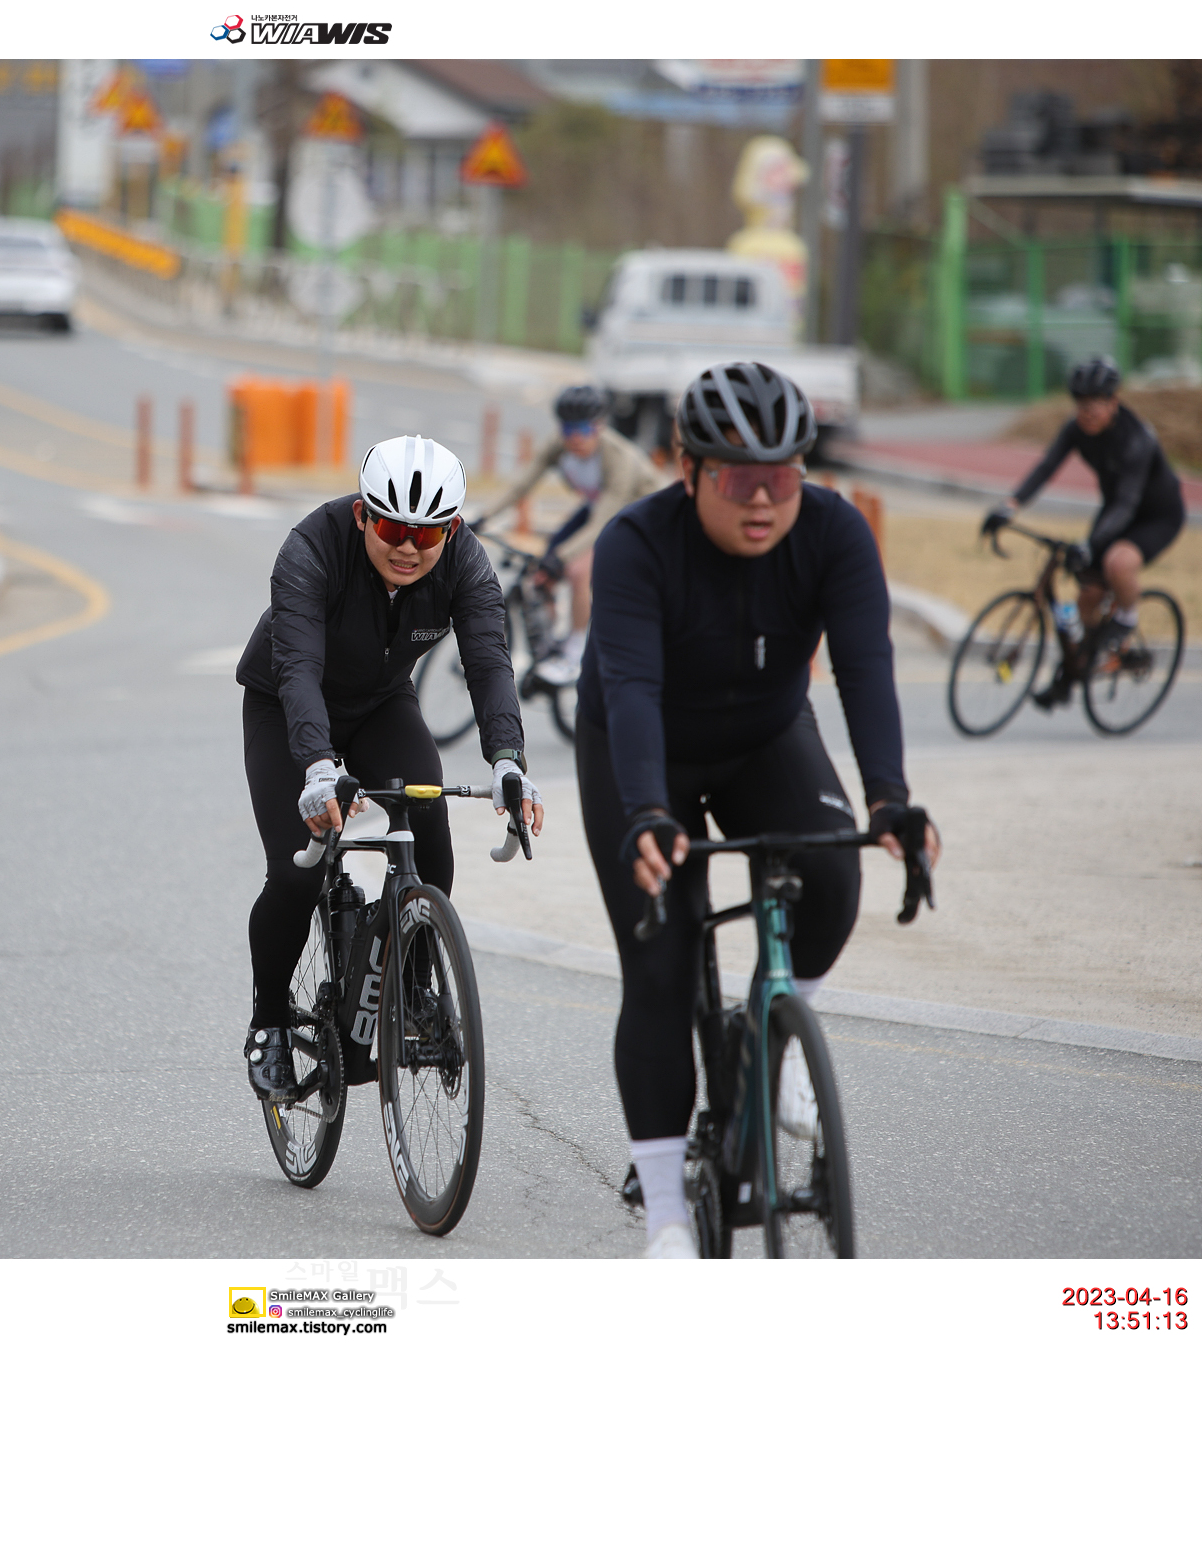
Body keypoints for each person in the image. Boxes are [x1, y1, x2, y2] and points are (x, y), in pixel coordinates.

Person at [574, 361, 939, 1258]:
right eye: (741, 481)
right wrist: (648, 811)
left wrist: (890, 798)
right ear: (687, 469)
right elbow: (631, 689)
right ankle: (667, 1218)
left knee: (832, 874)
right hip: (644, 743)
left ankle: (773, 1042)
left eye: (784, 476)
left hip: (764, 734)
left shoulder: (836, 533)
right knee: (661, 958)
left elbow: (865, 668)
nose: (766, 500)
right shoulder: (634, 544)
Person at [235, 435, 547, 1100]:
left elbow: (489, 663)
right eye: (392, 529)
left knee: (428, 824)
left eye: (427, 534)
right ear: (362, 516)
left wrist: (508, 761)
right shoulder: (311, 547)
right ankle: (269, 1022)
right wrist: (317, 767)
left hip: (381, 704)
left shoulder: (464, 563)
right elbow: (298, 669)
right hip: (287, 707)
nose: (409, 546)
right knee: (297, 869)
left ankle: (413, 985)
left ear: (451, 530)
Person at [982, 355, 1185, 709]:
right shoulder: (1076, 429)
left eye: (1095, 404)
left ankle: (1126, 619)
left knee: (1117, 563)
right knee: (1087, 596)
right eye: (1080, 403)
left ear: (1114, 402)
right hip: (1115, 511)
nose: (1086, 412)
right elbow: (1046, 467)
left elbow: (1127, 503)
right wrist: (1010, 505)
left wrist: (1091, 544)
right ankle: (1075, 669)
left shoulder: (1136, 439)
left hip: (1156, 516)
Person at [480, 383, 664, 685]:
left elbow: (602, 522)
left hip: (638, 517)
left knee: (578, 569)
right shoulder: (559, 444)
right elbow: (521, 485)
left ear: (599, 426)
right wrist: (484, 516)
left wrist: (563, 557)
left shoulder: (619, 458)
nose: (575, 437)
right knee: (542, 573)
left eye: (584, 429)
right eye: (568, 429)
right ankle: (549, 645)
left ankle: (575, 654)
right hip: (597, 505)